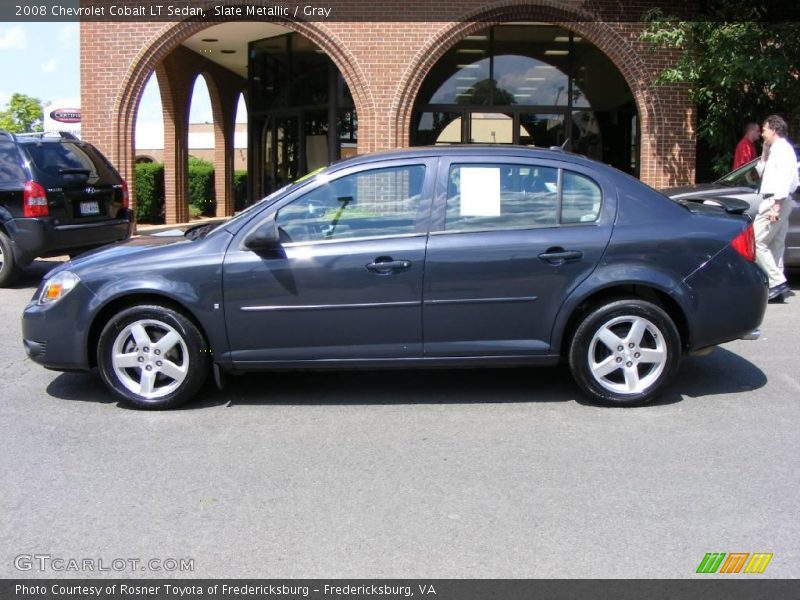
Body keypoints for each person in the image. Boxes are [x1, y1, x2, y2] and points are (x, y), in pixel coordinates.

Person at [753, 114, 798, 302]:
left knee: (755, 241)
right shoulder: (776, 150)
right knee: (774, 244)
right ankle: (777, 286)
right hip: (778, 200)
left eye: (764, 130)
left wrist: (776, 206)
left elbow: (785, 179)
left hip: (775, 200)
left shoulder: (783, 151)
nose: (762, 134)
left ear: (773, 129)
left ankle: (777, 281)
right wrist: (764, 152)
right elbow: (763, 172)